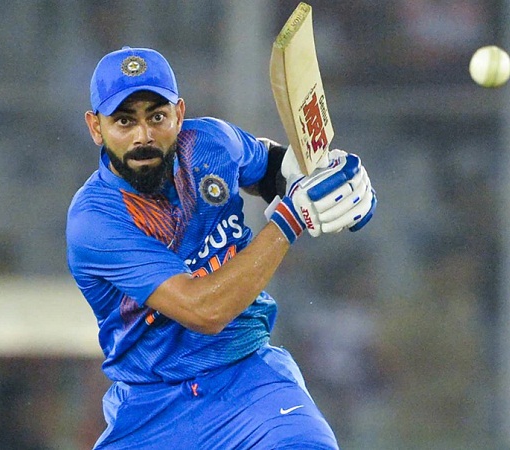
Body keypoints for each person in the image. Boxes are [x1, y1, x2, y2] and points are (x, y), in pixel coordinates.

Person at [66, 46, 377, 450]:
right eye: (124, 121)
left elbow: (269, 167)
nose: (143, 136)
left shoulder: (210, 142)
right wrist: (293, 216)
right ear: (95, 127)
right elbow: (204, 310)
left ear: (179, 114)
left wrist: (321, 180)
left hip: (250, 381)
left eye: (157, 117)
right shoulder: (96, 219)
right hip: (152, 408)